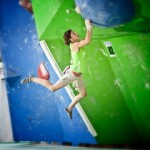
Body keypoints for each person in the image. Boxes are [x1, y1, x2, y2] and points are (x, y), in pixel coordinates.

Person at [21, 19, 92, 119]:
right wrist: (88, 26)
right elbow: (88, 40)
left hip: (78, 75)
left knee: (83, 94)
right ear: (71, 39)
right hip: (72, 75)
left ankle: (69, 108)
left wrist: (70, 64)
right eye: (74, 34)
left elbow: (75, 57)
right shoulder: (75, 44)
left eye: (75, 32)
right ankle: (32, 78)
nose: (76, 34)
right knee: (53, 88)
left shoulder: (75, 45)